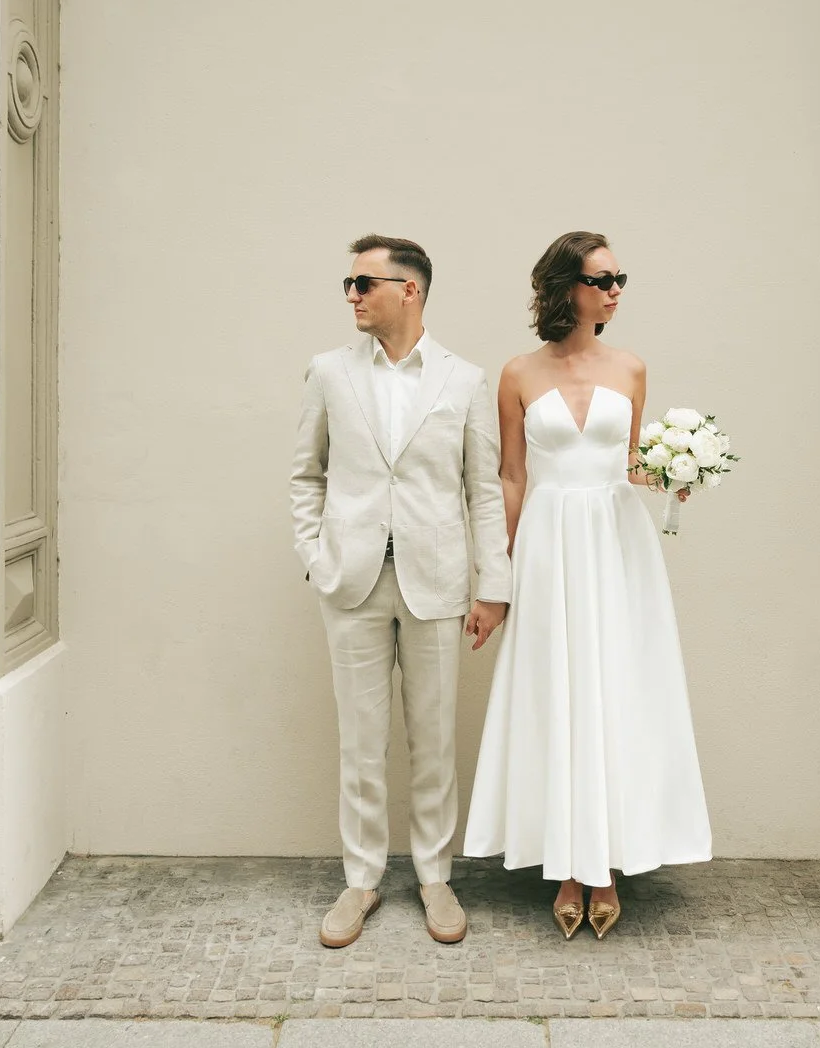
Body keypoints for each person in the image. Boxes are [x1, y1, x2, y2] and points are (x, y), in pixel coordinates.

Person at [463, 231, 711, 938]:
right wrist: (496, 579)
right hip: (547, 544)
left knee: (611, 687)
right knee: (557, 689)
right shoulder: (517, 374)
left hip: (614, 544)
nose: (615, 290)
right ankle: (567, 866)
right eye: (603, 278)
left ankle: (601, 865)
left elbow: (630, 465)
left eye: (619, 278)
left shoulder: (631, 369)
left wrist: (674, 472)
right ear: (565, 285)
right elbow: (512, 477)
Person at [291, 234, 511, 949]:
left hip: (437, 582)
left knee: (435, 740)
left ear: (407, 290)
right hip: (351, 580)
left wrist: (494, 585)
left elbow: (483, 490)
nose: (352, 295)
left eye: (363, 283)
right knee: (360, 743)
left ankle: (433, 875)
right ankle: (360, 880)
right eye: (349, 284)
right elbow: (306, 475)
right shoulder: (328, 372)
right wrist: (316, 556)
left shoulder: (464, 379)